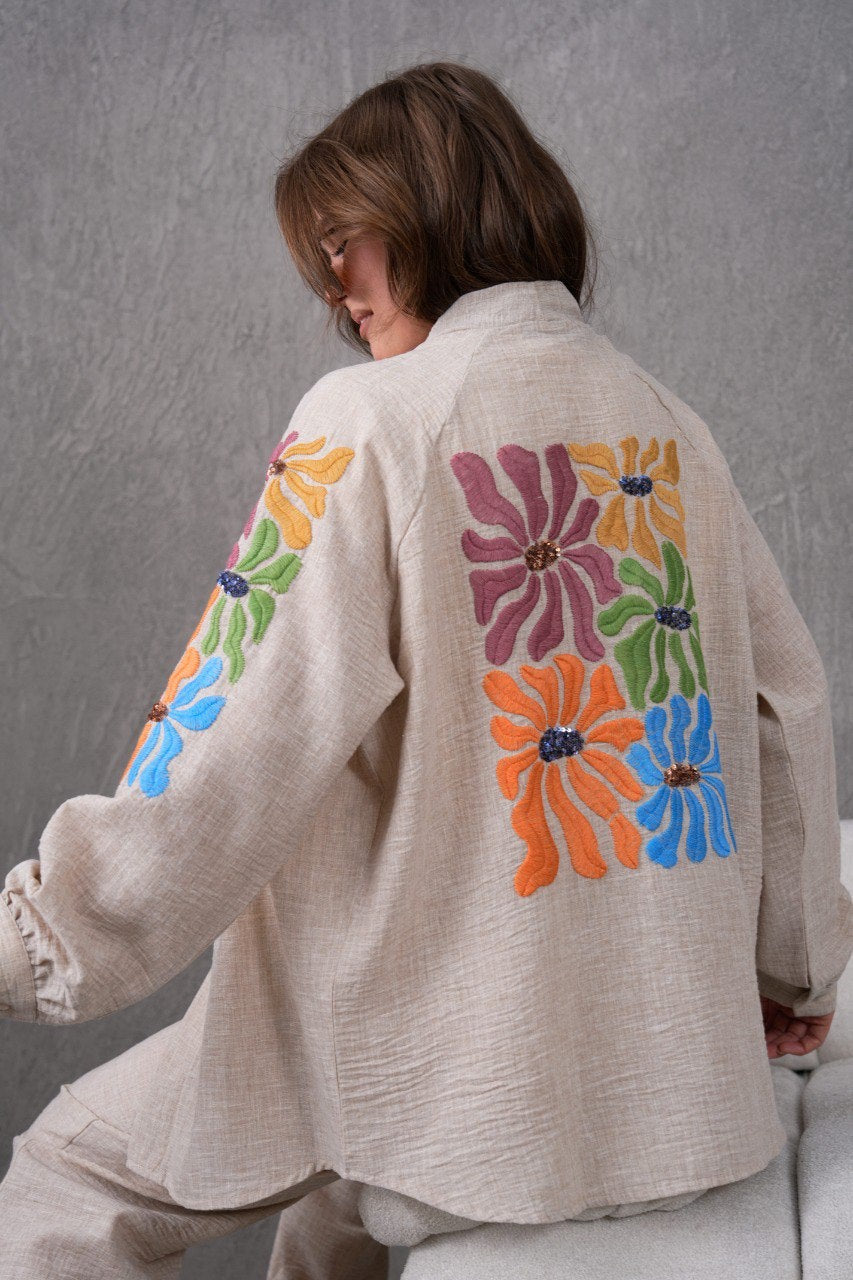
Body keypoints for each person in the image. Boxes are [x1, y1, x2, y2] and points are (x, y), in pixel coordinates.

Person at [0, 59, 850, 1280]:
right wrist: (796, 973)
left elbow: (222, 752)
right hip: (681, 1107)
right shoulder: (673, 429)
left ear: (428, 215)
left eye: (345, 241)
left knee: (65, 1181)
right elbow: (784, 709)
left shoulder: (371, 420)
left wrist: (39, 943)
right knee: (326, 1213)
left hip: (459, 1097)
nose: (334, 286)